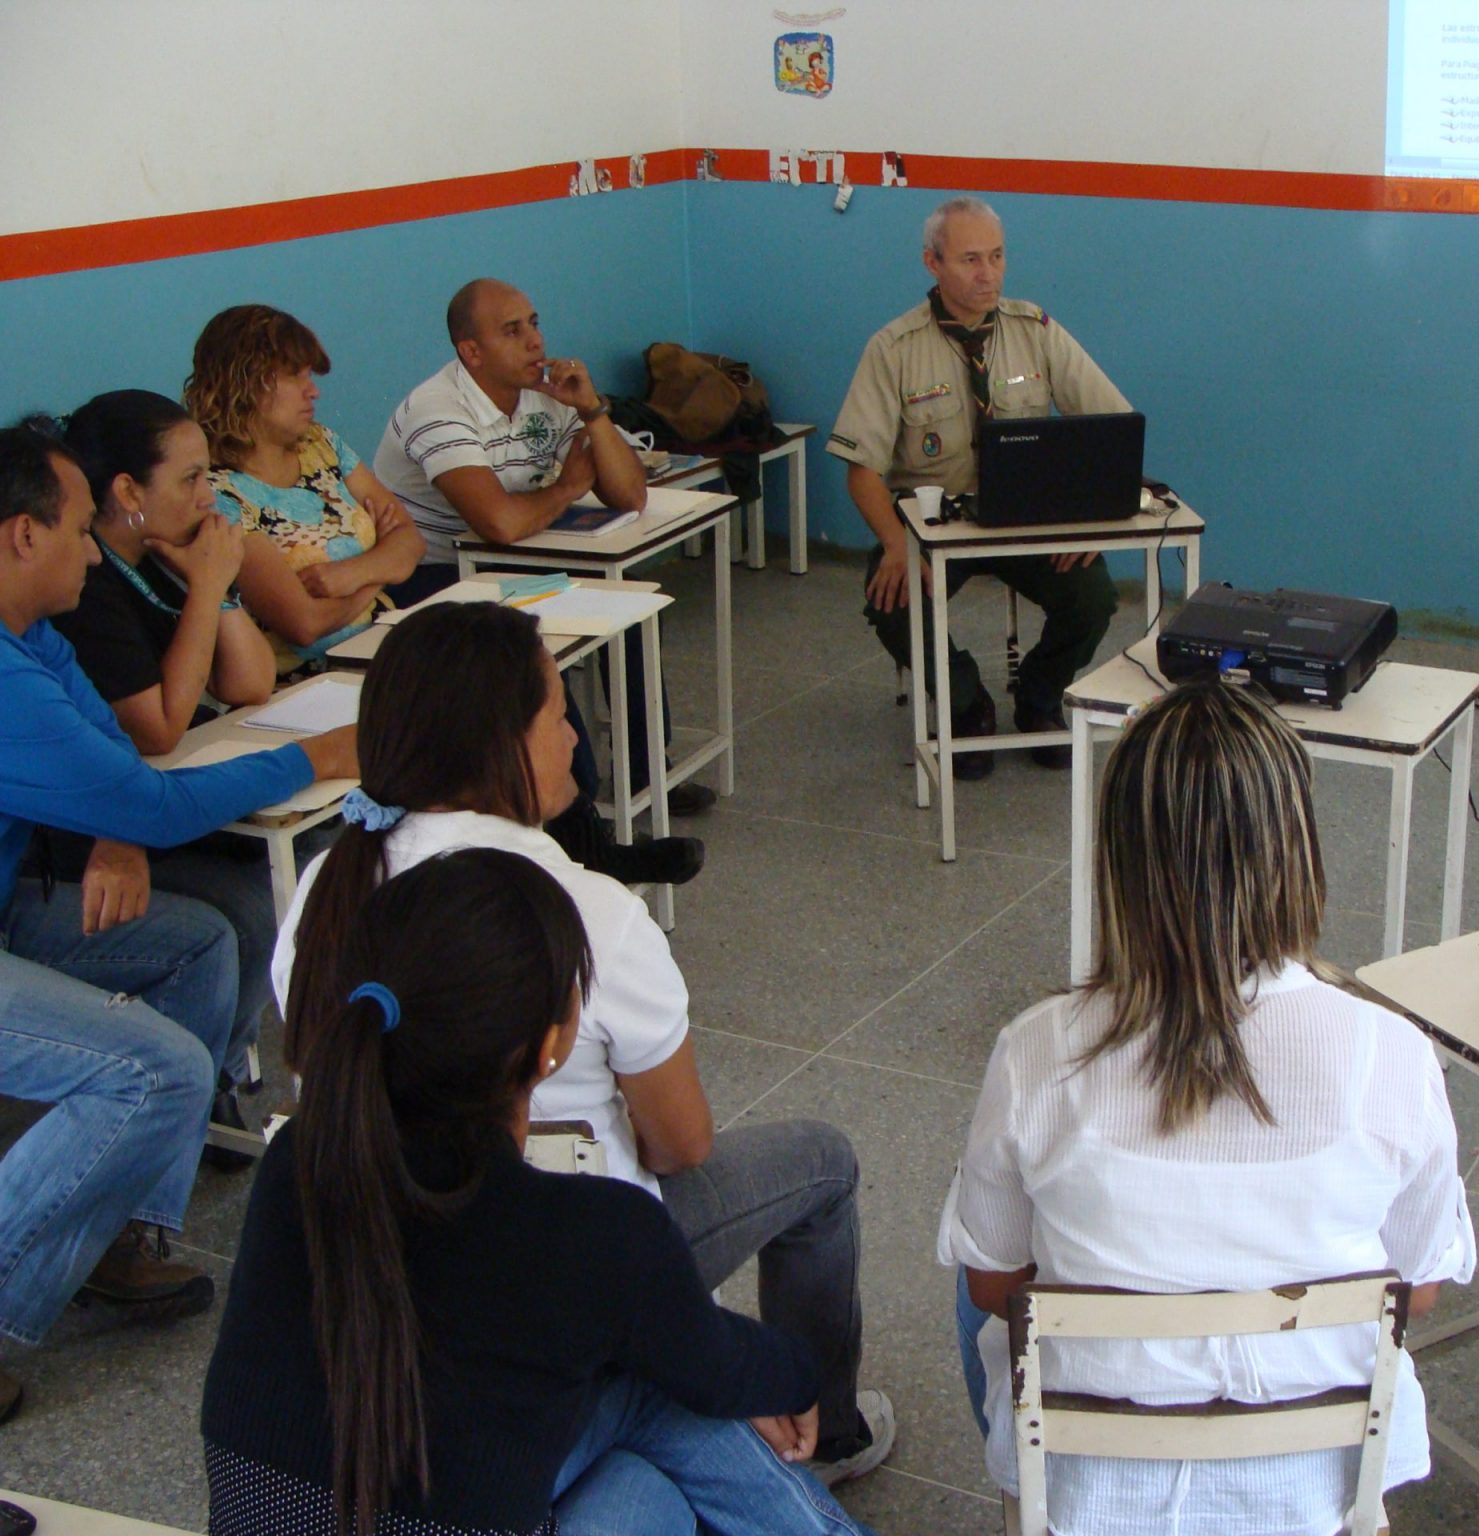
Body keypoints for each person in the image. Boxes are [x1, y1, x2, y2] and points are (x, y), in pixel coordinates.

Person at [271, 600, 894, 1487]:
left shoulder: (322, 893)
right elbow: (681, 1147)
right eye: (559, 714)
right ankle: (824, 1436)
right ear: (502, 745)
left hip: (384, 1251)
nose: (573, 737)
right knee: (823, 1164)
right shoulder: (587, 912)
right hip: (562, 1257)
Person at [203, 847, 874, 1535]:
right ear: (551, 1045)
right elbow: (719, 1368)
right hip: (440, 1497)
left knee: (642, 1486)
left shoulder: (299, 1159)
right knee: (651, 1396)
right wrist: (799, 1374)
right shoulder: (592, 1235)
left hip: (286, 1513)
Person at [939, 678, 1476, 1535]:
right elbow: (1416, 1293)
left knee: (982, 1279)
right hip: (1315, 1489)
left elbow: (995, 1280)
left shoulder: (1035, 1051)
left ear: (1119, 859)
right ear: (1296, 850)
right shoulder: (1392, 1054)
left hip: (1092, 1493)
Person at [0, 419, 355, 1423]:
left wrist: (115, 824)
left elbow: (118, 772)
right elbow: (140, 795)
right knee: (156, 1066)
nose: (90, 549)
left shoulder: (33, 635)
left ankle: (112, 1226)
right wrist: (316, 757)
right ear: (22, 536)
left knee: (199, 945)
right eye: (76, 530)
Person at [371, 279, 713, 823]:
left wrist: (593, 412)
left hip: (510, 564)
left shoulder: (542, 397)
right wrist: (565, 490)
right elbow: (500, 524)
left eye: (534, 323)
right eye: (513, 331)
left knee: (628, 613)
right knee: (534, 656)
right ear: (471, 352)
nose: (535, 341)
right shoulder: (436, 409)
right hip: (435, 576)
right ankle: (574, 805)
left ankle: (647, 769)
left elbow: (630, 495)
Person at [827, 196, 1130, 778]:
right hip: (936, 520)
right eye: (969, 259)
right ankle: (967, 704)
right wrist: (895, 543)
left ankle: (1041, 700)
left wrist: (1090, 520)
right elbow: (861, 468)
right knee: (890, 601)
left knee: (1094, 598)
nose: (987, 273)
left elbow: (1111, 427)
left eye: (996, 256)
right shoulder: (894, 348)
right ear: (932, 263)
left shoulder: (1034, 329)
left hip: (1029, 517)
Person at [51, 390, 281, 1152]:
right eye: (189, 480)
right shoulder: (87, 590)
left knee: (300, 856)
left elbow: (251, 684)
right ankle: (208, 1076)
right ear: (126, 494)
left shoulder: (167, 559)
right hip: (89, 831)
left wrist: (223, 583)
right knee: (245, 910)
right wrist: (210, 585)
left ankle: (219, 1060)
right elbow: (157, 726)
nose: (208, 496)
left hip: (159, 797)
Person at [185, 304, 425, 676]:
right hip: (303, 681)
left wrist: (349, 575)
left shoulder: (321, 444)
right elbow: (304, 624)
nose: (312, 391)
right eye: (295, 376)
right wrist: (378, 573)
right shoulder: (218, 492)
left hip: (382, 646)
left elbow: (410, 541)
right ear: (244, 382)